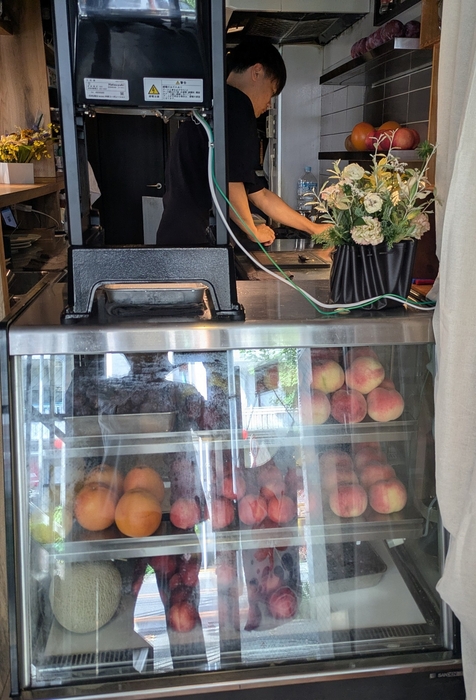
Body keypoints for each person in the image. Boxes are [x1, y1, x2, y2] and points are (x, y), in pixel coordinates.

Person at [156, 37, 330, 248]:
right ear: (257, 72)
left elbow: (260, 195)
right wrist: (252, 230)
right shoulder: (237, 107)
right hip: (191, 243)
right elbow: (230, 184)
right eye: (271, 92)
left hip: (177, 235)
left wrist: (313, 228)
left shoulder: (218, 106)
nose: (269, 104)